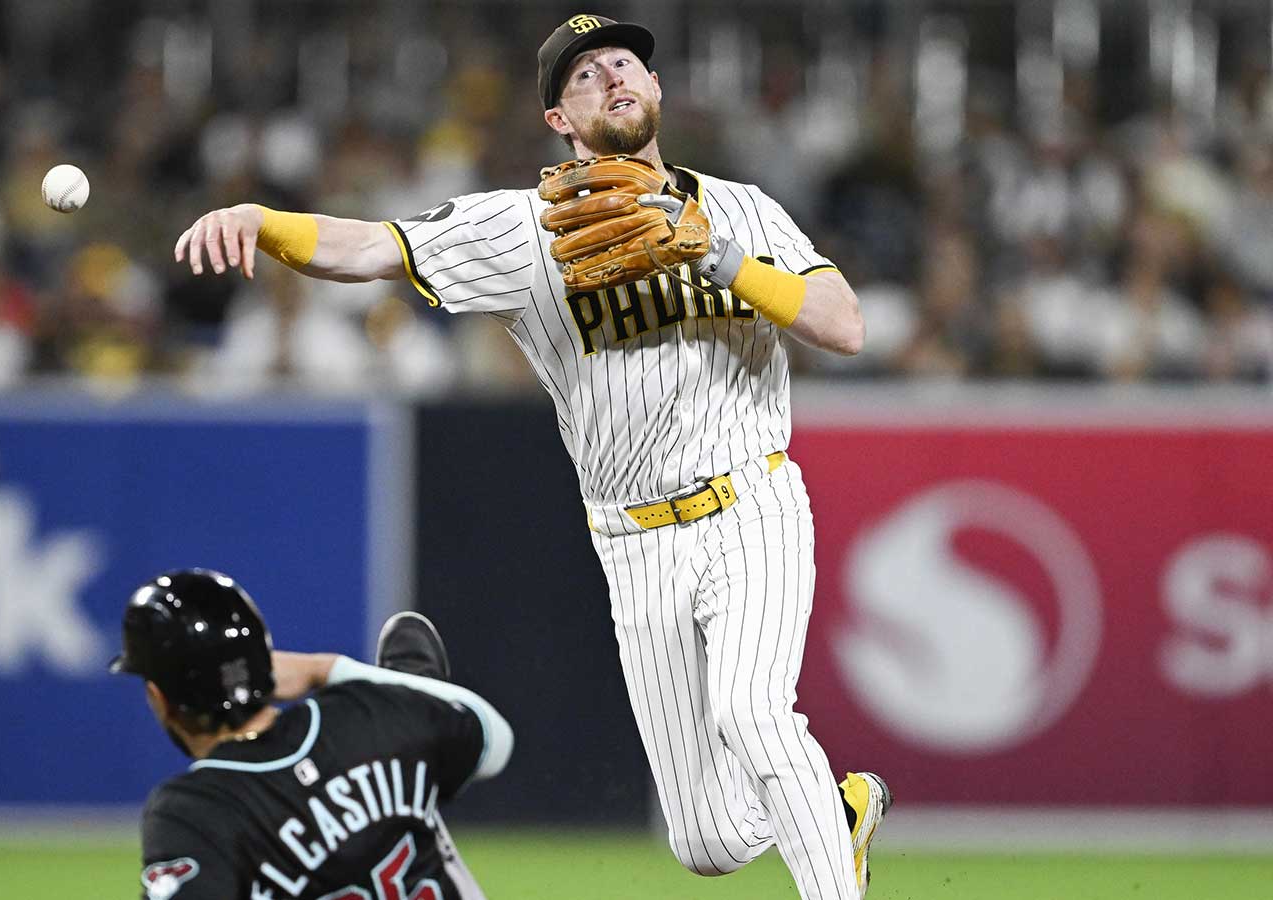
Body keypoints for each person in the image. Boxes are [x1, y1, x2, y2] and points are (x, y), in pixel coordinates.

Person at [171, 14, 889, 899]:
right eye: (586, 76)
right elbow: (372, 247)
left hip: (752, 502)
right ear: (560, 120)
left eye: (626, 63)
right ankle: (831, 808)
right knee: (703, 840)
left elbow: (844, 325)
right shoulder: (523, 234)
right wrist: (262, 219)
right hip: (634, 542)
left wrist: (724, 256)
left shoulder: (742, 209)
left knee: (752, 711)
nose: (614, 78)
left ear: (657, 90)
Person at [110, 569, 512, 900]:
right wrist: (330, 669)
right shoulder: (362, 717)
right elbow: (497, 741)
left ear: (159, 697)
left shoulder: (196, 808)